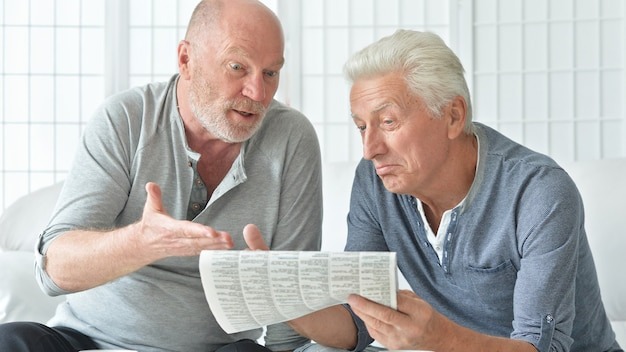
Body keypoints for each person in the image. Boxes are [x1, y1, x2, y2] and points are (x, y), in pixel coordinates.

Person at [0, 0, 322, 351]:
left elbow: (291, 308)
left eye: (270, 73)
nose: (257, 93)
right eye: (237, 67)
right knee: (12, 340)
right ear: (186, 60)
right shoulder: (125, 118)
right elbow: (54, 271)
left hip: (217, 349)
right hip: (88, 341)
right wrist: (140, 243)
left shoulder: (292, 139)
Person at [288, 29, 622, 352]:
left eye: (388, 122)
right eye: (362, 126)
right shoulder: (375, 181)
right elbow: (357, 323)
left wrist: (442, 338)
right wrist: (280, 299)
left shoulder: (539, 192)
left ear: (453, 116)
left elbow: (541, 348)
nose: (369, 148)